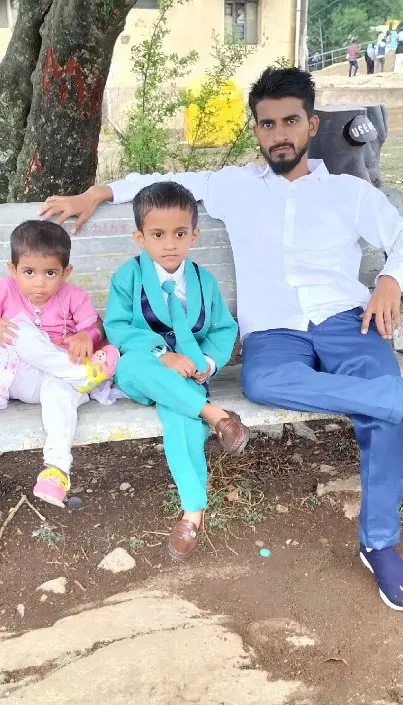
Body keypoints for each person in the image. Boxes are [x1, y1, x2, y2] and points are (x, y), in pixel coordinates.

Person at [42, 66, 403, 610]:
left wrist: (389, 280)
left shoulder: (350, 193)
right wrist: (96, 193)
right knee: (261, 380)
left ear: (312, 122)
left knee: (379, 406)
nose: (278, 133)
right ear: (255, 130)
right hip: (275, 333)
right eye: (266, 124)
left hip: (346, 320)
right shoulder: (232, 186)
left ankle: (378, 542)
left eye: (290, 121)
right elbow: (150, 184)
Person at [103, 181, 249, 560]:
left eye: (180, 233)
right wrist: (159, 353)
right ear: (139, 237)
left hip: (189, 376)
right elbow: (118, 328)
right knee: (134, 364)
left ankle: (193, 512)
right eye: (158, 234)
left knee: (179, 418)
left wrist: (210, 363)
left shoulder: (203, 281)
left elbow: (222, 328)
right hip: (144, 369)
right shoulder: (128, 277)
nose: (170, 243)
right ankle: (216, 416)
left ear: (194, 235)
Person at [0, 220, 119, 507]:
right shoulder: (5, 289)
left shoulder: (74, 296)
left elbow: (95, 328)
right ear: (13, 269)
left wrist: (84, 335)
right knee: (20, 330)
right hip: (15, 377)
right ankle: (82, 375)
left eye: (50, 273)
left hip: (53, 382)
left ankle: (56, 471)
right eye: (29, 272)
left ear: (65, 272)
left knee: (59, 391)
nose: (39, 282)